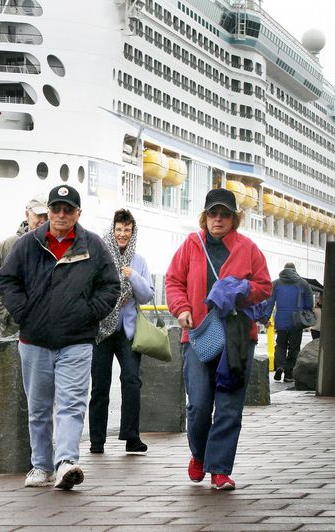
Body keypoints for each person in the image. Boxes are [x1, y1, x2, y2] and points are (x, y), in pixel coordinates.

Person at [0, 185, 120, 490]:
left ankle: (65, 462)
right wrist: (24, 312)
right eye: (56, 209)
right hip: (34, 340)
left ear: (79, 213)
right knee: (38, 407)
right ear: (48, 211)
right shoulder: (28, 244)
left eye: (68, 209)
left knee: (71, 404)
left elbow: (111, 287)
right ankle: (40, 466)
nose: (61, 215)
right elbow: (7, 280)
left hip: (77, 340)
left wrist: (88, 313)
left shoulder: (93, 245)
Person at [165, 188, 271, 491]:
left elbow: (264, 286)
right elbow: (173, 281)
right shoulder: (191, 244)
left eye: (225, 214)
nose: (218, 219)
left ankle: (220, 469)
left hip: (238, 337)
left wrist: (239, 289)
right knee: (198, 404)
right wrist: (182, 309)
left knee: (229, 406)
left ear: (234, 218)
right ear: (205, 216)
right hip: (198, 334)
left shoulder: (248, 248)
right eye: (213, 213)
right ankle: (199, 455)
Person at [88, 209, 154, 455]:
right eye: (119, 229)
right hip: (103, 330)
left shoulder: (139, 261)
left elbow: (147, 295)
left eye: (127, 230)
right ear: (112, 230)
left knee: (132, 381)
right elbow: (91, 289)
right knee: (99, 386)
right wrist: (112, 298)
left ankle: (131, 437)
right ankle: (97, 441)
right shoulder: (101, 256)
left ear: (133, 232)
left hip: (128, 332)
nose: (122, 234)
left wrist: (133, 276)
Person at [0, 194, 48, 337]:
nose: (43, 221)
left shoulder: (58, 248)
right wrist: (7, 316)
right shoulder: (6, 246)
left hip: (47, 330)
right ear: (27, 214)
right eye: (38, 215)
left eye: (46, 216)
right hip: (14, 331)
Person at [267, 262, 314, 382]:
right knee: (294, 347)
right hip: (297, 321)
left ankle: (280, 366)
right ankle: (289, 373)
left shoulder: (276, 283)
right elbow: (309, 303)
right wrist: (307, 314)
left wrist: (265, 317)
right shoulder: (303, 283)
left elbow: (269, 302)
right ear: (295, 270)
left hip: (281, 319)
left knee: (281, 344)